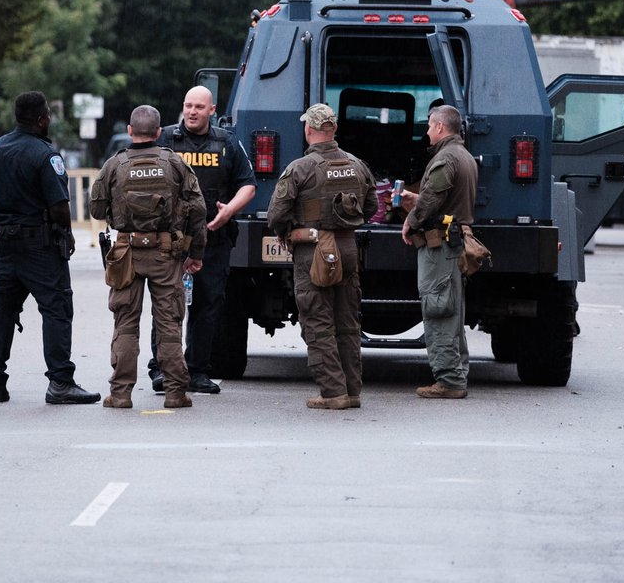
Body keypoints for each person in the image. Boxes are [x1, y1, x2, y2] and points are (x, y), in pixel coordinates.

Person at [0, 91, 100, 405]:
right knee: (56, 309)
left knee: (1, 311)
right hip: (40, 246)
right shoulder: (46, 155)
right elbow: (59, 205)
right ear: (42, 118)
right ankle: (60, 381)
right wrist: (67, 234)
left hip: (5, 244)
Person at [90, 105, 208, 409]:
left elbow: (96, 209)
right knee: (169, 323)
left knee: (126, 323)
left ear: (130, 131)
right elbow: (198, 209)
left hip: (126, 253)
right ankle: (175, 393)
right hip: (166, 254)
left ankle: (120, 394)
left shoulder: (114, 165)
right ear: (158, 132)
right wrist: (195, 253)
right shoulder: (175, 163)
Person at [266, 104, 377, 409]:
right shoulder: (358, 165)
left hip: (313, 251)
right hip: (348, 249)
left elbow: (276, 214)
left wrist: (288, 231)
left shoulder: (300, 168)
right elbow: (370, 208)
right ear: (334, 129)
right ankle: (352, 391)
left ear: (308, 129)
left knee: (317, 322)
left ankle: (332, 392)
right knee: (348, 323)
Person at [148, 85, 256, 395]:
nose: (192, 111)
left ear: (212, 110)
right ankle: (162, 368)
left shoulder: (227, 142)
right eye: (188, 105)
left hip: (213, 238)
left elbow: (247, 185)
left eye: (199, 106)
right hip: (169, 240)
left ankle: (197, 371)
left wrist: (229, 211)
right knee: (166, 305)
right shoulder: (165, 139)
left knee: (208, 305)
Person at [400, 104, 476, 399]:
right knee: (453, 310)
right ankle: (458, 374)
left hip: (439, 245)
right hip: (454, 243)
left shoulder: (444, 159)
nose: (427, 132)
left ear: (441, 127)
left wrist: (410, 220)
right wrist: (415, 198)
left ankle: (448, 380)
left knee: (438, 308)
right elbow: (443, 199)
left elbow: (431, 202)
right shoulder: (463, 156)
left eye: (430, 126)